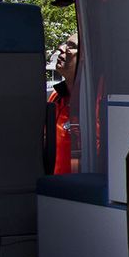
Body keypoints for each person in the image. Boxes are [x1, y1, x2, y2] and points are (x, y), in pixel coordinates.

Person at [45, 37, 81, 175]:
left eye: (71, 46)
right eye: (64, 44)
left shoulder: (96, 100)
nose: (61, 48)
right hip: (56, 188)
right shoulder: (56, 96)